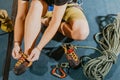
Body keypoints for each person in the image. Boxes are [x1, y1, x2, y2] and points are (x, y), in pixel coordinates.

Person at [12, 0, 89, 75]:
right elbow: (21, 16)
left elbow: (55, 22)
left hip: (68, 6)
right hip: (44, 6)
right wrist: (16, 43)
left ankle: (45, 21)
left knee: (81, 33)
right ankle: (27, 54)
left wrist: (39, 47)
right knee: (36, 4)